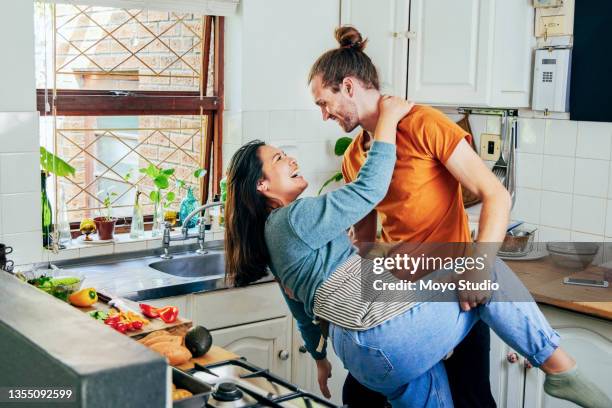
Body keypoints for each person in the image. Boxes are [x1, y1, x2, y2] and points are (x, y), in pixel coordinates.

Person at [223, 94, 611, 407]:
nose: (289, 158)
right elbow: (369, 191)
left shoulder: (273, 236)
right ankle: (563, 371)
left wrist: (320, 357)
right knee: (480, 265)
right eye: (278, 159)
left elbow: (299, 307)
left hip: (356, 350)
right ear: (262, 187)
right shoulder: (295, 217)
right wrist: (389, 118)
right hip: (381, 333)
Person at [307, 26, 498, 407]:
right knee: (361, 398)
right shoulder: (355, 157)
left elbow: (496, 194)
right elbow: (364, 243)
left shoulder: (425, 124)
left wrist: (480, 267)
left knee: (471, 400)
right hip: (398, 307)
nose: (325, 115)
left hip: (453, 296)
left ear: (348, 87)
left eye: (323, 103)